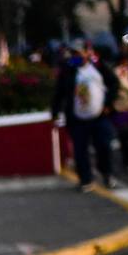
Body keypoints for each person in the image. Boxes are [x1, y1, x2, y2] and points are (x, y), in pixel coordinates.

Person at [52, 43, 119, 192]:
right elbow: (59, 92)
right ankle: (85, 179)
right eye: (74, 54)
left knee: (103, 147)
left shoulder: (98, 66)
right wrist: (55, 111)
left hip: (99, 116)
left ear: (87, 53)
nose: (77, 56)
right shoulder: (68, 69)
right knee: (80, 150)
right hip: (77, 118)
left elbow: (114, 83)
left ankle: (107, 174)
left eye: (80, 53)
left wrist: (108, 104)